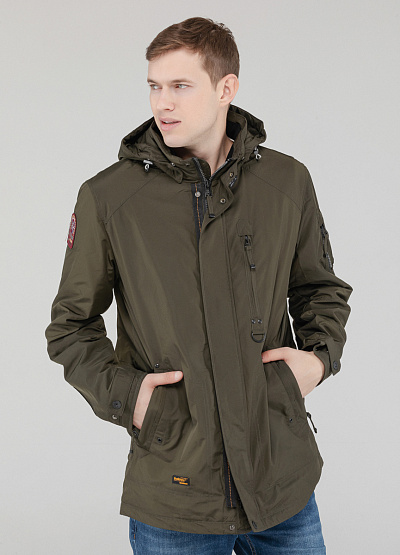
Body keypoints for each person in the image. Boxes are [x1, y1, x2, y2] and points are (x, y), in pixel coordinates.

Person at [45, 17, 352, 554]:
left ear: (226, 88)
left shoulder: (286, 182)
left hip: (280, 477)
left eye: (180, 86)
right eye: (154, 86)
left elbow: (320, 288)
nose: (162, 103)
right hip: (175, 486)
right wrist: (131, 399)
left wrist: (319, 359)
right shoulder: (109, 198)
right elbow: (70, 327)